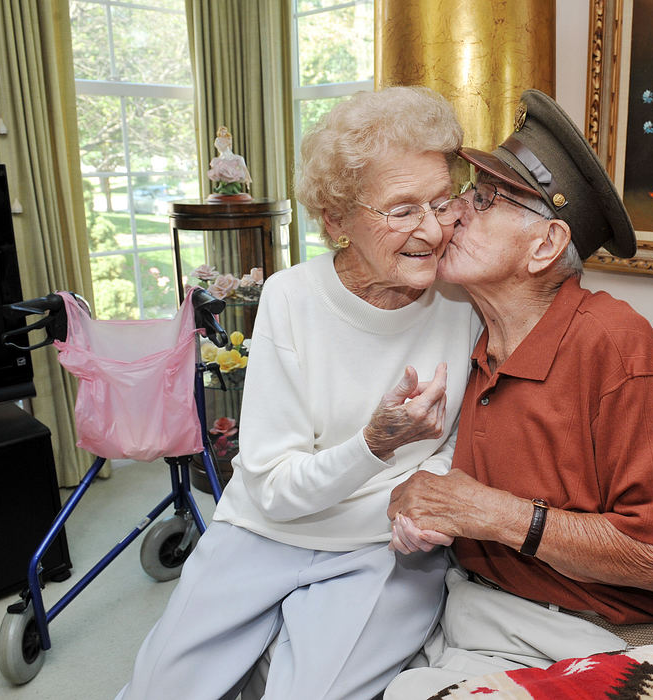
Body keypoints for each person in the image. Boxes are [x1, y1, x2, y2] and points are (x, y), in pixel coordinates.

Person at [116, 86, 482, 700]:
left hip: (383, 544)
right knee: (158, 690)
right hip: (264, 528)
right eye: (401, 209)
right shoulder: (291, 297)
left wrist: (429, 492)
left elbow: (467, 436)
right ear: (337, 221)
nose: (432, 229)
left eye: (442, 202)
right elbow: (274, 488)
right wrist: (373, 443)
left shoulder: (465, 299)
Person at [383, 89, 653, 699]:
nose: (454, 214)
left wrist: (491, 514)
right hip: (466, 608)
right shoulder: (477, 335)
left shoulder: (616, 347)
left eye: (484, 200)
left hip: (590, 636)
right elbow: (446, 480)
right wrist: (419, 505)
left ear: (546, 245)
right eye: (465, 195)